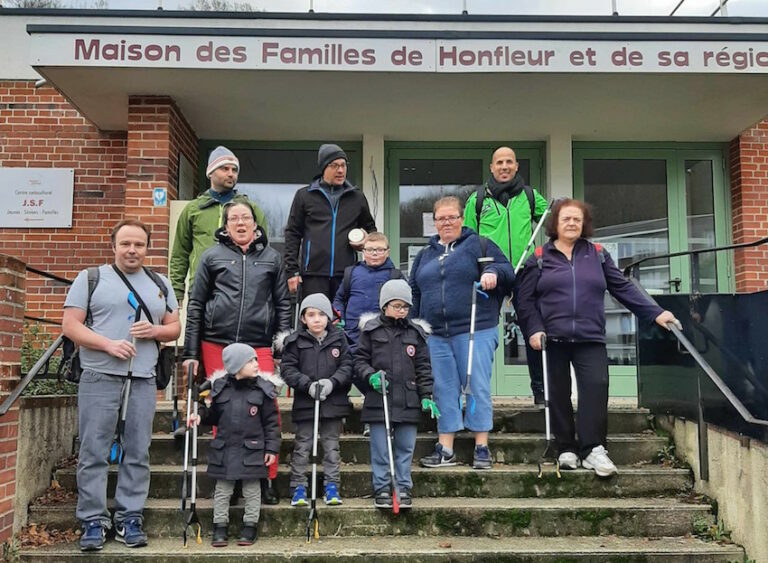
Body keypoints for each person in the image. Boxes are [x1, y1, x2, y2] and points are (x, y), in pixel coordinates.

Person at [515, 198, 680, 477]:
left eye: (577, 219)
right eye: (566, 218)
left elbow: (623, 288)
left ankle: (593, 449)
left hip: (590, 337)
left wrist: (656, 313)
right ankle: (566, 447)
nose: (571, 223)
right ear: (555, 223)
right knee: (557, 393)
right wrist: (533, 328)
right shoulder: (540, 258)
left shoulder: (598, 255)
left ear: (584, 224)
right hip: (552, 339)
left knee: (596, 388)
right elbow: (524, 300)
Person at [62, 219, 181, 551]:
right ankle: (93, 520)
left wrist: (154, 332)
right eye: (126, 244)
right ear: (113, 245)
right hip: (99, 375)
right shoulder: (91, 278)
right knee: (94, 450)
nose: (132, 250)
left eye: (139, 244)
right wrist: (107, 344)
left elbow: (174, 328)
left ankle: (130, 517)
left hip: (143, 378)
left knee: (138, 450)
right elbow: (71, 325)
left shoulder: (161, 283)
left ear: (147, 247)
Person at [182, 201, 290, 502]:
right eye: (234, 219)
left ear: (255, 224)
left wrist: (281, 346)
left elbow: (283, 304)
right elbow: (196, 304)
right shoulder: (211, 256)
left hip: (259, 343)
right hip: (217, 342)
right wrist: (189, 352)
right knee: (222, 409)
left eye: (246, 218)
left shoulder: (272, 258)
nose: (240, 223)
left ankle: (266, 478)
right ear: (225, 225)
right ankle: (227, 480)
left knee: (268, 409)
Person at [410, 196, 515, 470]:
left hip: (474, 328)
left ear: (461, 219)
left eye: (452, 217)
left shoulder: (479, 245)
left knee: (477, 385)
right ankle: (446, 448)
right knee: (443, 388)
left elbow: (507, 271)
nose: (447, 222)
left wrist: (492, 272)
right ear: (434, 222)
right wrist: (414, 327)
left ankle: (481, 447)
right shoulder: (425, 254)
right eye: (441, 218)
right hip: (436, 335)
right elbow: (415, 292)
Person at [463, 146, 548, 405]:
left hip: (525, 271)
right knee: (483, 333)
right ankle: (478, 393)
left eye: (509, 162)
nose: (504, 166)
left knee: (533, 330)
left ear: (516, 166)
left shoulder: (531, 196)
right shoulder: (477, 199)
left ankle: (542, 393)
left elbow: (551, 219)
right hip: (491, 271)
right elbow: (467, 238)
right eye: (499, 162)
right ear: (491, 167)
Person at [354, 280, 437, 509]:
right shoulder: (371, 331)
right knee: (381, 447)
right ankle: (382, 486)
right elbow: (359, 360)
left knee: (406, 447)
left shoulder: (415, 333)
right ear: (384, 306)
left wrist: (427, 394)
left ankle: (403, 486)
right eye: (397, 306)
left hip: (408, 400)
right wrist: (370, 375)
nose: (402, 311)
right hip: (379, 400)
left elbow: (423, 367)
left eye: (406, 307)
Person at [187, 343, 281, 547]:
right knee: (223, 490)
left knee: (252, 490)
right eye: (250, 361)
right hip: (226, 449)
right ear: (236, 365)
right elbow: (212, 415)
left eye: (256, 359)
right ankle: (220, 526)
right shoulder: (220, 388)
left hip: (252, 450)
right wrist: (199, 416)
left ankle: (250, 525)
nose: (256, 364)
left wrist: (272, 448)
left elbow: (271, 423)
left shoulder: (263, 390)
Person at [278, 293, 353, 507]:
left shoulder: (339, 339)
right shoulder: (294, 341)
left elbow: (347, 366)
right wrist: (307, 385)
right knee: (303, 446)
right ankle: (298, 486)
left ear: (329, 318)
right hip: (306, 404)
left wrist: (332, 382)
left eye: (321, 314)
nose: (317, 319)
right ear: (303, 318)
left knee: (331, 446)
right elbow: (288, 369)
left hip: (333, 404)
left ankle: (331, 486)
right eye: (311, 315)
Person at [170, 145, 267, 303]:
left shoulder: (251, 209)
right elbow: (179, 254)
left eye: (234, 170)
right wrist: (176, 291)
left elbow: (262, 251)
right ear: (210, 173)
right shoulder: (193, 209)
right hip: (201, 288)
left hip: (239, 289)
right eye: (224, 169)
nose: (231, 174)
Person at [283, 143, 377, 302]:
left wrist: (365, 239)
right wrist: (292, 272)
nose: (340, 170)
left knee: (343, 323)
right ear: (323, 168)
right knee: (315, 323)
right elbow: (292, 233)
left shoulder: (357, 197)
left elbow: (371, 230)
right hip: (313, 275)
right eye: (334, 165)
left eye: (343, 165)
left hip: (347, 275)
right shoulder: (304, 196)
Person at [332, 232, 404, 352]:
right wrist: (339, 319)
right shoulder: (351, 273)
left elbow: (404, 305)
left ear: (388, 251)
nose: (374, 253)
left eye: (380, 249)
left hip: (383, 338)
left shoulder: (395, 276)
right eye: (370, 249)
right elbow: (339, 299)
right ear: (363, 251)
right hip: (351, 337)